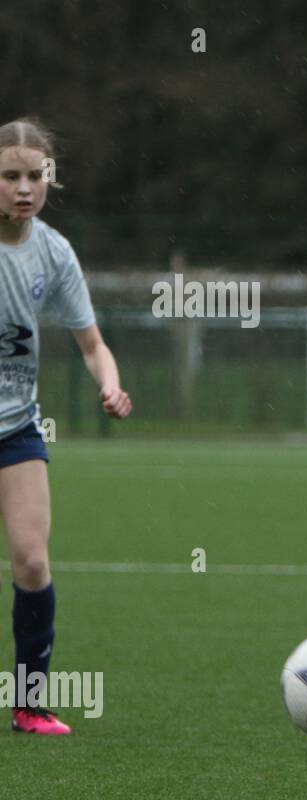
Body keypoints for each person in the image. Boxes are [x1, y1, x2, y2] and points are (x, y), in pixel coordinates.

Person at [0, 117, 132, 735]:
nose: (24, 188)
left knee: (31, 561)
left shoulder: (51, 251)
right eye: (9, 176)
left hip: (16, 429)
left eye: (35, 175)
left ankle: (29, 702)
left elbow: (90, 343)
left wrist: (108, 382)